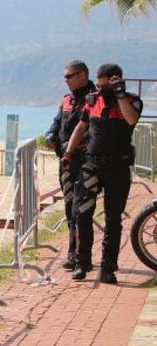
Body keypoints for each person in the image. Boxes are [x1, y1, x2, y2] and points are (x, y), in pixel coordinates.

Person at [63, 63, 142, 283]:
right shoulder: (92, 100)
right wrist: (68, 154)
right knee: (83, 214)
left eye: (105, 85)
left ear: (117, 81)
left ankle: (108, 268)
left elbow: (131, 119)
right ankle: (82, 263)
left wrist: (119, 95)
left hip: (118, 169)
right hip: (92, 167)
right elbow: (81, 127)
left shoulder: (132, 101)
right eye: (99, 86)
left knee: (113, 220)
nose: (101, 90)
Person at [44, 60, 96, 271]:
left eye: (69, 76)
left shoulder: (95, 98)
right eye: (64, 76)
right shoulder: (66, 100)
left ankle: (81, 257)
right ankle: (72, 253)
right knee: (69, 208)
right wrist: (49, 135)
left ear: (82, 74)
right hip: (66, 163)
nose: (65, 80)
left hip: (86, 162)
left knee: (82, 210)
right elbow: (57, 124)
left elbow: (93, 130)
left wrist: (72, 147)